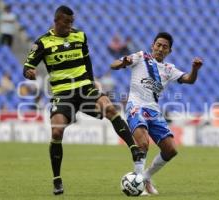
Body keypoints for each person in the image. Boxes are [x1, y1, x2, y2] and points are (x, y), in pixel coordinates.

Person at [23, 5, 144, 196]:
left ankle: (134, 149)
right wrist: (29, 72)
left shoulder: (80, 36)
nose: (70, 26)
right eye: (66, 22)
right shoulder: (42, 43)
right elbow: (28, 66)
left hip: (85, 88)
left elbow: (87, 63)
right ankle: (57, 179)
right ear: (56, 21)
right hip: (63, 94)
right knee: (56, 131)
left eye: (72, 22)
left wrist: (92, 83)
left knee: (111, 109)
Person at [110, 32, 203, 195]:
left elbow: (189, 79)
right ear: (152, 45)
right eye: (158, 45)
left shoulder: (169, 69)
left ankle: (145, 178)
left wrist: (194, 69)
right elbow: (114, 64)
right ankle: (137, 185)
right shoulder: (140, 57)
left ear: (169, 51)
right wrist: (123, 62)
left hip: (153, 111)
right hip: (135, 106)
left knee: (171, 150)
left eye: (164, 47)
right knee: (143, 143)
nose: (160, 49)